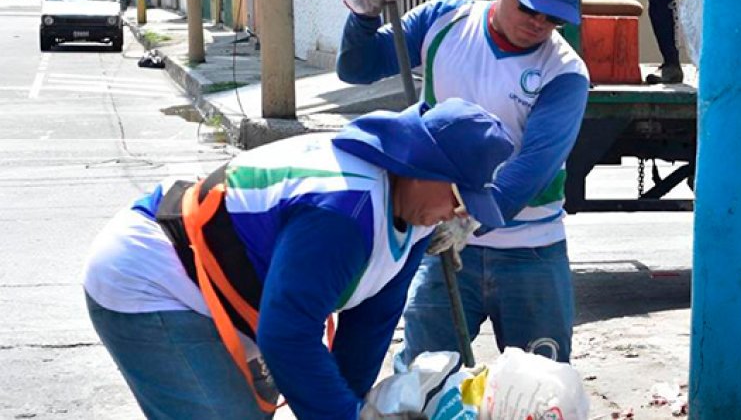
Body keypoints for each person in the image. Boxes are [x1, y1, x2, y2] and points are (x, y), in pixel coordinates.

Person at [82, 100, 514, 419]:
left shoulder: (413, 214)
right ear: (423, 167)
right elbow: (287, 336)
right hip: (154, 275)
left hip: (231, 291)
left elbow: (371, 323)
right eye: (458, 198)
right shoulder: (345, 214)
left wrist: (353, 406)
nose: (457, 216)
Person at [336, 0, 590, 365]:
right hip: (441, 244)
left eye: (553, 18)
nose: (538, 24)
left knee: (540, 387)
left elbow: (532, 168)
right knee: (425, 379)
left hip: (531, 251)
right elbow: (358, 67)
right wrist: (365, 10)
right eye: (529, 8)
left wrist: (466, 221)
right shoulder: (443, 21)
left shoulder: (564, 72)